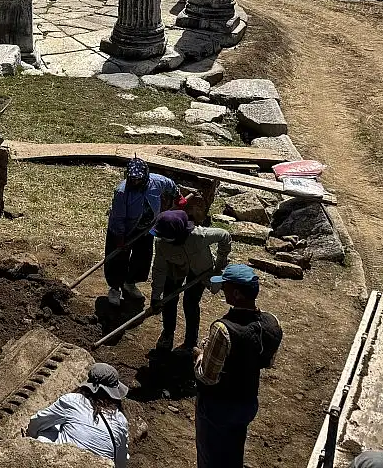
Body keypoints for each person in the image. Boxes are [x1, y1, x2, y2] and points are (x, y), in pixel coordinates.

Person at [193, 263, 284, 468]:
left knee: (210, 456)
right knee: (234, 449)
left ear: (236, 294)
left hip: (218, 405)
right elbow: (268, 361)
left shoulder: (223, 329)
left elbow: (207, 376)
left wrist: (199, 355)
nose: (222, 290)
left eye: (225, 287)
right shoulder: (272, 322)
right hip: (247, 400)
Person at [149, 209, 232, 352]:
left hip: (200, 270)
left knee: (191, 303)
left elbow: (224, 235)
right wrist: (156, 296)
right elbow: (159, 269)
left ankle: (190, 342)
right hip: (175, 269)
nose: (162, 237)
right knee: (169, 300)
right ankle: (168, 334)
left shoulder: (199, 236)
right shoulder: (161, 243)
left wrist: (220, 264)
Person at [26, 363, 131, 468]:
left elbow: (37, 422)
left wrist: (29, 437)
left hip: (68, 461)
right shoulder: (121, 419)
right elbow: (121, 461)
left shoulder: (73, 400)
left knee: (47, 429)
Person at [105, 158, 178, 306]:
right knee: (117, 259)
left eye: (138, 179)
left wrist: (178, 195)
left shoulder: (156, 182)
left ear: (145, 176)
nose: (135, 182)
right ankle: (115, 288)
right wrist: (120, 237)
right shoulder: (122, 192)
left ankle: (130, 283)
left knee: (142, 258)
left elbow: (170, 185)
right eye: (132, 179)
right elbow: (119, 217)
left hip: (146, 229)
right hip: (123, 230)